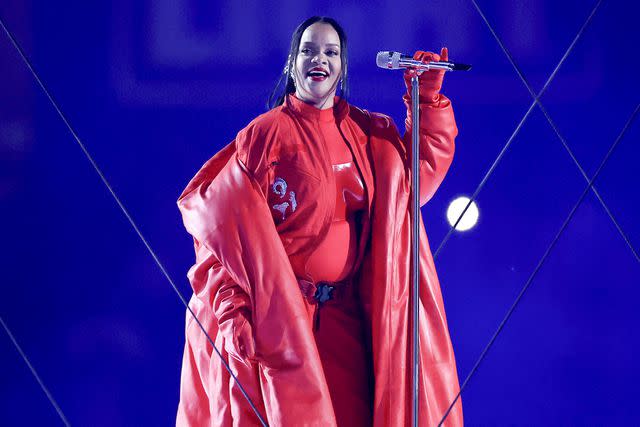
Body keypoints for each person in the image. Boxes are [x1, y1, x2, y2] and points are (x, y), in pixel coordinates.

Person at [176, 16, 463, 427]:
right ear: (292, 62)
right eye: (309, 50)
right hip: (286, 327)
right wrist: (232, 311)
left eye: (331, 52)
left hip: (351, 319)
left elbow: (414, 184)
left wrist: (428, 103)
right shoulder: (264, 137)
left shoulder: (368, 132)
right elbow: (219, 232)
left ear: (343, 66)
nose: (320, 59)